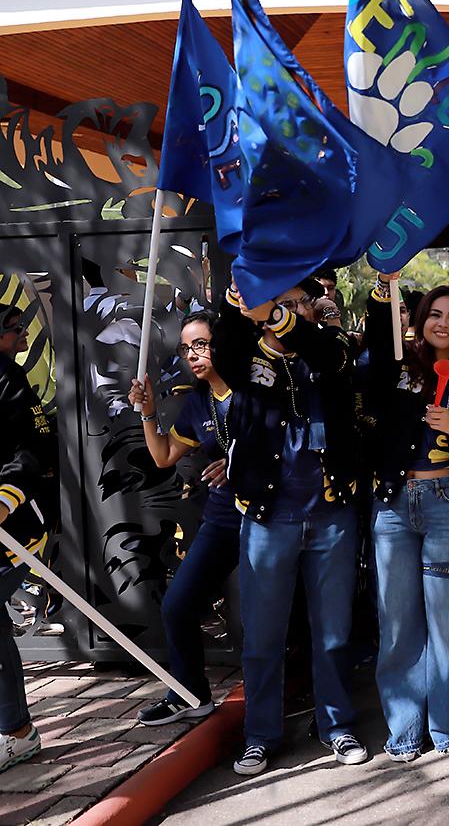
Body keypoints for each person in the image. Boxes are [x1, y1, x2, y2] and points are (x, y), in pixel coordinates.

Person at [220, 278, 367, 776]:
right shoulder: (245, 355)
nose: (294, 311)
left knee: (334, 634)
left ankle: (337, 725)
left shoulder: (329, 349)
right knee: (263, 638)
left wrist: (275, 312)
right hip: (268, 519)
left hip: (331, 515)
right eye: (283, 303)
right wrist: (240, 297)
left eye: (300, 303)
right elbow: (227, 341)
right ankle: (260, 735)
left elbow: (327, 351)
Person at [367, 279, 449, 761]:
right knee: (397, 621)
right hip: (394, 503)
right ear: (420, 322)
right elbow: (378, 344)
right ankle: (404, 730)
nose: (443, 323)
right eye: (435, 314)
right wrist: (384, 287)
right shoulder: (400, 366)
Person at [127, 309, 239, 726]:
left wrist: (238, 463)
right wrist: (148, 411)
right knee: (178, 604)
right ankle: (190, 694)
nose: (192, 355)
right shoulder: (198, 402)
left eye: (201, 345)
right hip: (223, 519)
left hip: (270, 518)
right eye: (186, 347)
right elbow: (163, 456)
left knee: (273, 614)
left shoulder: (253, 389)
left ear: (221, 345)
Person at [0, 304, 53, 772]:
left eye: (19, 328)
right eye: (13, 330)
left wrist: (4, 499)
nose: (21, 336)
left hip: (13, 528)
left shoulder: (10, 381)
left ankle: (16, 732)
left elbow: (32, 450)